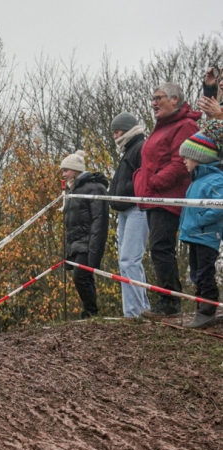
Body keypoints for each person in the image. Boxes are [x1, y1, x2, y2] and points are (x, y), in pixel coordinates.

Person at [134, 82, 201, 319]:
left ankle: (170, 302)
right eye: (152, 98)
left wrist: (155, 182)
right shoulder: (161, 127)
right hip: (153, 197)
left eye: (158, 97)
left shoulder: (185, 125)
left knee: (162, 247)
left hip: (167, 196)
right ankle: (167, 299)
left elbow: (181, 162)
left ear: (175, 99)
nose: (153, 103)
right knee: (158, 248)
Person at [178, 122, 223, 328]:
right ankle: (200, 306)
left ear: (199, 157)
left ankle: (207, 308)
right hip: (193, 235)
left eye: (186, 156)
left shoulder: (215, 180)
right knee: (195, 272)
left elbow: (218, 207)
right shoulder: (196, 181)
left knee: (204, 272)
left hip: (205, 235)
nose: (183, 161)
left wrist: (199, 221)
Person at [108, 112, 151, 317]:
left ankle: (134, 312)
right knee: (125, 261)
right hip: (125, 209)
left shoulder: (141, 148)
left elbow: (142, 180)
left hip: (137, 208)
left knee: (130, 261)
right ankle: (139, 308)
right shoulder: (128, 150)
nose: (115, 136)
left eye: (117, 131)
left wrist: (122, 191)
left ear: (126, 129)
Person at [61, 150, 110, 319]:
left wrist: (95, 248)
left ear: (75, 170)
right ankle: (91, 313)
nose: (64, 174)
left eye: (66, 170)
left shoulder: (95, 188)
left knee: (80, 276)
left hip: (88, 241)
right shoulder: (73, 191)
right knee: (84, 278)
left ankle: (91, 311)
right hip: (76, 242)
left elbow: (100, 220)